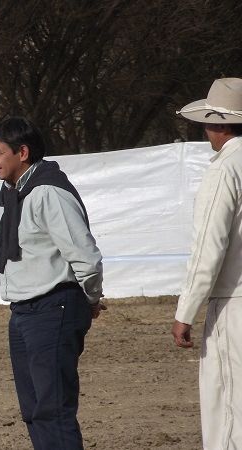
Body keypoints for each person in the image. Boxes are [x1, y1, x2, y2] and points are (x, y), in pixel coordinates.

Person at [0, 116, 105, 449]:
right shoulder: (11, 192)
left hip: (54, 306)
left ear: (22, 152)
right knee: (35, 410)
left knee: (53, 410)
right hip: (24, 311)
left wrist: (90, 298)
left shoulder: (49, 192)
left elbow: (85, 255)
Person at [171, 77, 242, 449]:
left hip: (234, 304)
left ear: (218, 124)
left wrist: (186, 310)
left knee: (229, 408)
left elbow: (209, 247)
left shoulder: (225, 169)